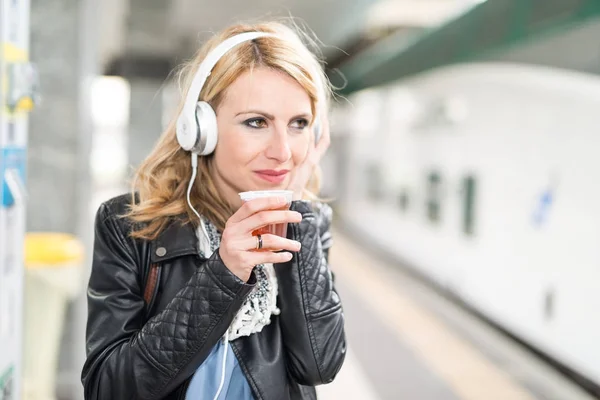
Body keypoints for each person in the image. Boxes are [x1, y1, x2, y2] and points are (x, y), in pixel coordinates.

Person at [81, 20, 346, 400]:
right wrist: (224, 273)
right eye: (257, 122)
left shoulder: (307, 223)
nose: (283, 151)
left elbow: (319, 365)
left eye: (299, 124)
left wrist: (296, 210)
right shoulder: (128, 226)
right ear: (200, 128)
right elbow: (109, 389)